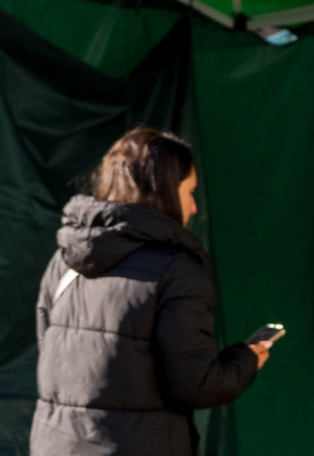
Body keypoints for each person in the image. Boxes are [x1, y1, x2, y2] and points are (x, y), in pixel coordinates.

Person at [30, 128, 269, 456]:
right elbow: (195, 384)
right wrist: (247, 360)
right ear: (166, 192)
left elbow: (51, 352)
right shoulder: (177, 269)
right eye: (189, 192)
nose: (194, 208)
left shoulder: (63, 260)